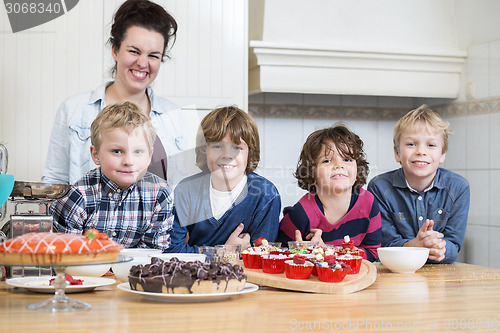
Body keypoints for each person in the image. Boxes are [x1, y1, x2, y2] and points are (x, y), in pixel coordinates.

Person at [42, 0, 187, 185]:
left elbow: (185, 191)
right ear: (115, 50)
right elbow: (54, 182)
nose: (143, 63)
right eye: (134, 51)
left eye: (153, 56)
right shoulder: (74, 111)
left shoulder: (175, 117)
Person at [51, 102, 173, 250]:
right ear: (96, 155)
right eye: (117, 151)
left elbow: (153, 251)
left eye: (138, 151)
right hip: (85, 270)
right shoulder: (78, 196)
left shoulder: (160, 194)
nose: (128, 161)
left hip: (135, 271)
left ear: (149, 156)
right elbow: (67, 253)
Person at [166, 106, 281, 253]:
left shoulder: (266, 195)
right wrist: (223, 252)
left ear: (250, 153)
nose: (227, 155)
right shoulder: (185, 190)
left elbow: (262, 257)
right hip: (195, 275)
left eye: (237, 148)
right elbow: (171, 250)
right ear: (204, 150)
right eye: (218, 146)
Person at [367, 104, 470, 264]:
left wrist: (440, 247)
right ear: (397, 153)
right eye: (411, 144)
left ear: (442, 154)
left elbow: (454, 245)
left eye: (431, 145)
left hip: (440, 275)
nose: (421, 151)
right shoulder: (379, 187)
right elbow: (383, 245)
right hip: (395, 273)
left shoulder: (458, 188)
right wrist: (415, 246)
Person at [277, 124, 382, 262]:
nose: (339, 165)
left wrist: (328, 251)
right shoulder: (300, 214)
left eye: (347, 159)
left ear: (358, 171)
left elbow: (373, 251)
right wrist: (301, 251)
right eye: (327, 160)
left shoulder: (368, 203)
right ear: (312, 174)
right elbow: (277, 252)